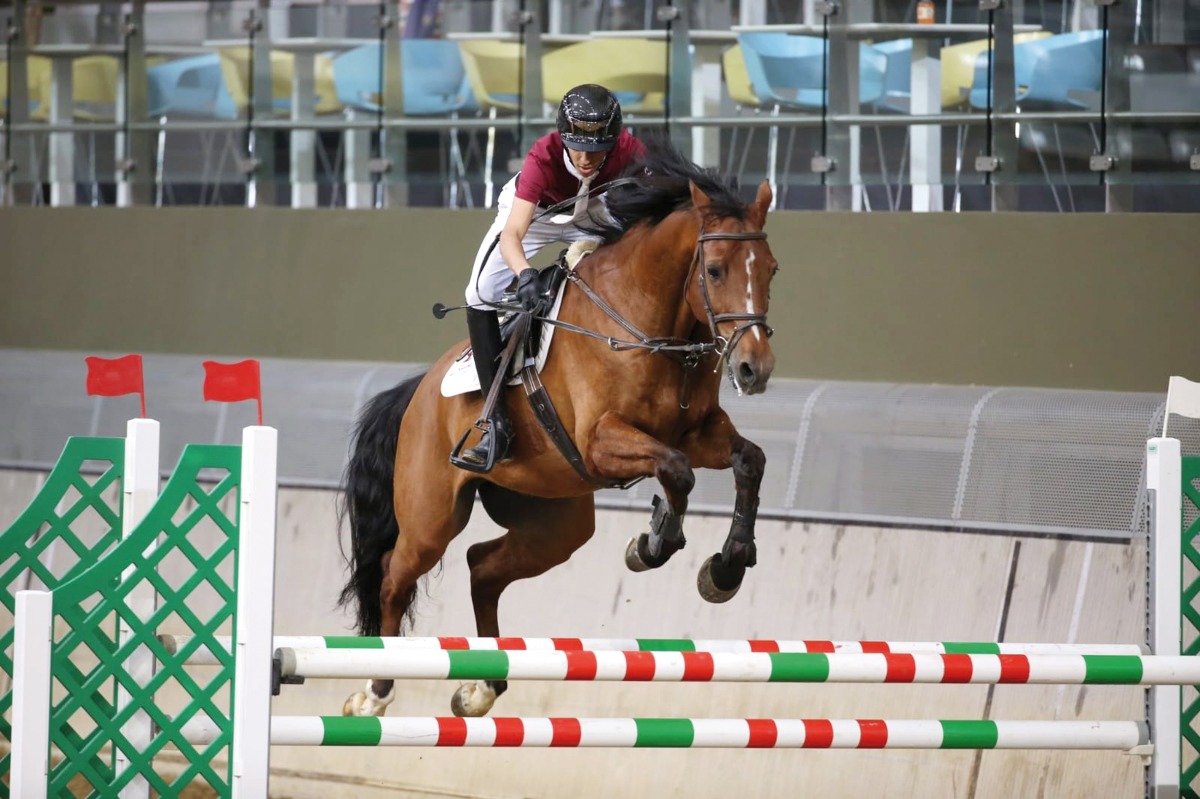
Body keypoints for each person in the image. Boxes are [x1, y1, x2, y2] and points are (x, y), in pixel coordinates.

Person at [456, 83, 645, 472]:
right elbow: (513, 235)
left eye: (598, 149)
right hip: (538, 214)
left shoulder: (630, 150)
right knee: (479, 291)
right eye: (578, 148)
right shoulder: (542, 156)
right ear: (563, 137)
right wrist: (525, 275)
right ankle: (496, 424)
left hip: (593, 211)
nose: (587, 158)